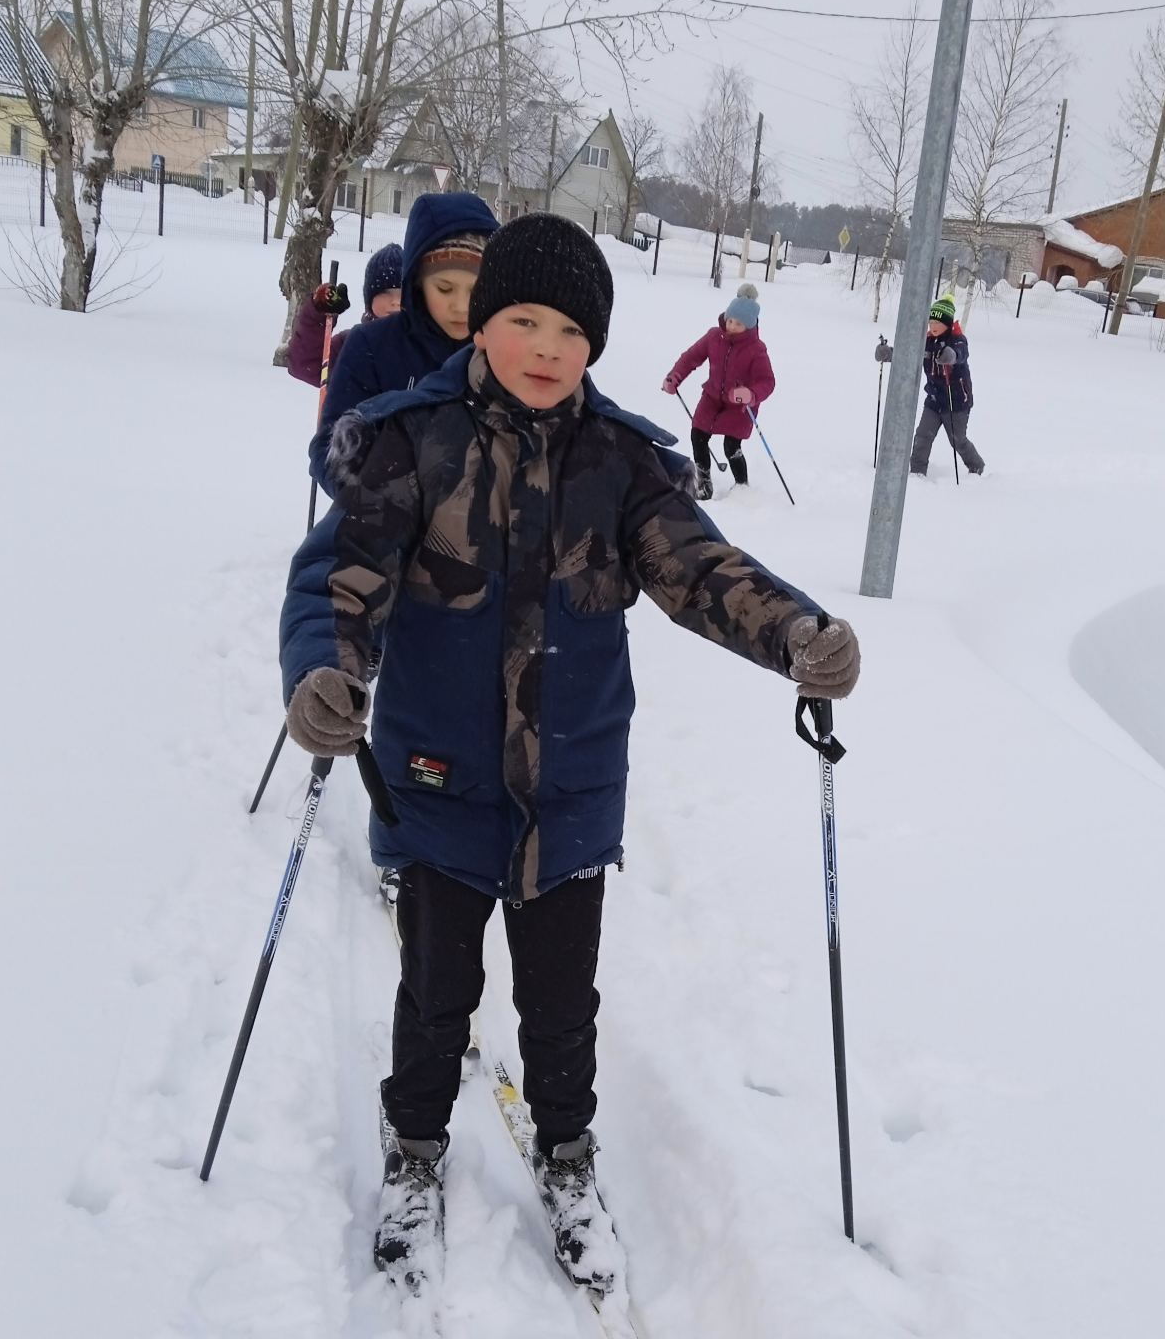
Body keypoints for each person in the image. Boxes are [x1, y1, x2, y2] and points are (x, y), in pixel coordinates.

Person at [279, 215, 860, 1284]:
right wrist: (325, 671)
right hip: (437, 780)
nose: (547, 347)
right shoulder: (409, 440)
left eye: (570, 331)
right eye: (522, 320)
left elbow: (698, 568)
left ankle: (567, 1154)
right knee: (433, 994)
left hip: (571, 781)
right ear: (481, 322)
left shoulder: (622, 461)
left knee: (562, 999)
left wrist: (795, 632)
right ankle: (414, 1152)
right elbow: (339, 581)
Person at [308, 191, 499, 494]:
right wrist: (375, 496)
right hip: (387, 528)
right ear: (418, 282)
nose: (461, 307)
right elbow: (329, 448)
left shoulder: (501, 349)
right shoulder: (372, 346)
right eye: (445, 288)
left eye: (475, 290)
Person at [661, 282, 776, 499]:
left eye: (738, 324)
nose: (731, 326)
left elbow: (767, 381)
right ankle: (704, 484)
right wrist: (675, 376)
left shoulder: (756, 349)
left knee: (731, 445)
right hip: (712, 397)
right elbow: (691, 357)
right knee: (698, 435)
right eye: (730, 320)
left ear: (749, 326)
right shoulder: (714, 337)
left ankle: (742, 486)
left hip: (740, 406)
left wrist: (751, 395)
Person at [284, 242, 404, 390]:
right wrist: (319, 317)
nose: (395, 302)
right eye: (385, 293)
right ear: (369, 300)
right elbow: (306, 365)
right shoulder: (353, 344)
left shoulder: (427, 345)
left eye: (403, 294)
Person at [909, 295, 986, 478]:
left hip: (957, 401)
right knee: (922, 436)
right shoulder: (926, 341)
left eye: (938, 322)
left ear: (947, 323)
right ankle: (917, 473)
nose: (933, 326)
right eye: (931, 321)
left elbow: (961, 353)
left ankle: (976, 468)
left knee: (957, 440)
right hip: (935, 400)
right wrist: (889, 355)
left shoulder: (957, 339)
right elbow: (909, 354)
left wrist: (951, 355)